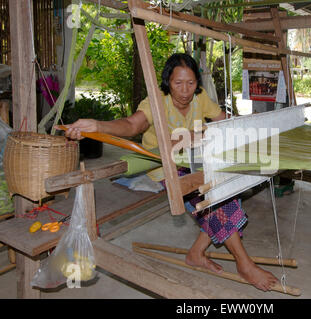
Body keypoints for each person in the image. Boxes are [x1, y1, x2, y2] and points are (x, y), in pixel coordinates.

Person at [63, 53, 278, 291]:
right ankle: (244, 264)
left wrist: (251, 124)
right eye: (178, 83)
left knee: (225, 189)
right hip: (164, 166)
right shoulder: (156, 101)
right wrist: (97, 126)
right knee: (212, 199)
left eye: (191, 83)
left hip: (195, 161)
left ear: (197, 82)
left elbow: (224, 121)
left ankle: (196, 253)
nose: (185, 91)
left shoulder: (200, 98)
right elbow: (133, 125)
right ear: (167, 82)